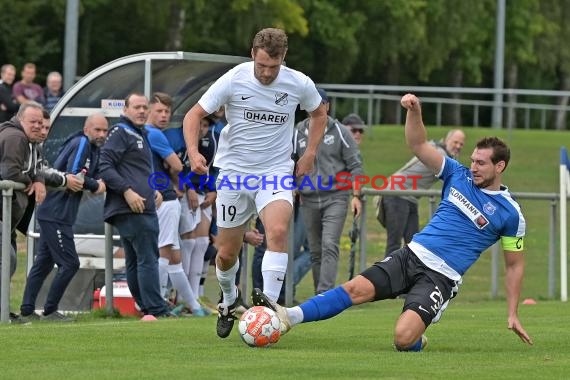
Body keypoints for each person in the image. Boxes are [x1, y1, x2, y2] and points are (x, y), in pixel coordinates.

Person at [252, 93, 533, 351]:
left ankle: (417, 333)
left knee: (403, 340)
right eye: (472, 160)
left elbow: (514, 266)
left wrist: (512, 313)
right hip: (411, 255)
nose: (473, 167)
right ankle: (288, 316)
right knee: (354, 289)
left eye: (481, 163)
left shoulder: (510, 214)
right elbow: (418, 144)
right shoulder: (457, 174)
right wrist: (415, 111)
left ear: (500, 166)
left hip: (441, 277)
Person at [183, 27, 328, 338]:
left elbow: (319, 113)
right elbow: (193, 115)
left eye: (273, 67)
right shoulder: (235, 78)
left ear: (283, 59)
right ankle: (229, 300)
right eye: (261, 65)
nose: (266, 72)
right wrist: (194, 153)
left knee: (276, 231)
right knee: (226, 253)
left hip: (275, 171)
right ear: (252, 55)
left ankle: (269, 310)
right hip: (234, 172)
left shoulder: (298, 82)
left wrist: (310, 153)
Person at [19, 113, 108, 322]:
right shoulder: (82, 143)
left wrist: (96, 181)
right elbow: (74, 176)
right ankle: (50, 311)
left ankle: (26, 310)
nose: (102, 134)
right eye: (98, 130)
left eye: (105, 130)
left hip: (59, 213)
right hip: (56, 214)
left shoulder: (91, 147)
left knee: (44, 263)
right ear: (87, 129)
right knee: (70, 263)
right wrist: (97, 185)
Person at [98, 93, 172, 318]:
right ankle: (157, 309)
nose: (141, 111)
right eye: (136, 107)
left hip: (140, 204)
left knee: (135, 260)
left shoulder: (139, 133)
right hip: (133, 207)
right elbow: (105, 165)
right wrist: (127, 192)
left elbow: (135, 170)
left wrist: (153, 190)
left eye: (144, 107)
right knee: (148, 258)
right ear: (125, 110)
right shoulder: (122, 132)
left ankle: (146, 307)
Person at [294, 87, 363, 294]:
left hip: (336, 197)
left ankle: (325, 294)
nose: (317, 106)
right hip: (308, 199)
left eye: (321, 103)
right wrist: (292, 186)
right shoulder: (298, 131)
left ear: (328, 106)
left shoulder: (340, 131)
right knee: (314, 251)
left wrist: (357, 196)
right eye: (312, 102)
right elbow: (289, 162)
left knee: (329, 244)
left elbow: (356, 165)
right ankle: (319, 296)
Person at [146, 92, 208, 316]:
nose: (163, 116)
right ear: (149, 111)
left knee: (174, 255)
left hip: (165, 197)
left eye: (167, 112)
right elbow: (178, 166)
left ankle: (193, 305)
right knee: (166, 252)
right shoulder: (154, 134)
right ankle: (160, 303)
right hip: (165, 199)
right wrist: (186, 185)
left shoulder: (148, 134)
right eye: (159, 111)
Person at [377, 129, 466, 255]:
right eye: (455, 142)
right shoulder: (440, 155)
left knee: (413, 245)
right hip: (396, 193)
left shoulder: (439, 150)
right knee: (394, 244)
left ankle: (407, 274)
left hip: (410, 198)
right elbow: (455, 179)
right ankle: (388, 274)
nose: (458, 146)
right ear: (447, 140)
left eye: (461, 144)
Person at [0, 101, 46, 322]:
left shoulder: (30, 141)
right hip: (2, 213)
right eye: (33, 122)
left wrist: (38, 180)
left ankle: (3, 311)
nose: (38, 126)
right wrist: (31, 180)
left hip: (7, 216)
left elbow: (37, 167)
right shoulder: (15, 137)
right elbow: (9, 172)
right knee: (5, 260)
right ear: (20, 120)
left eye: (40, 122)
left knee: (10, 263)